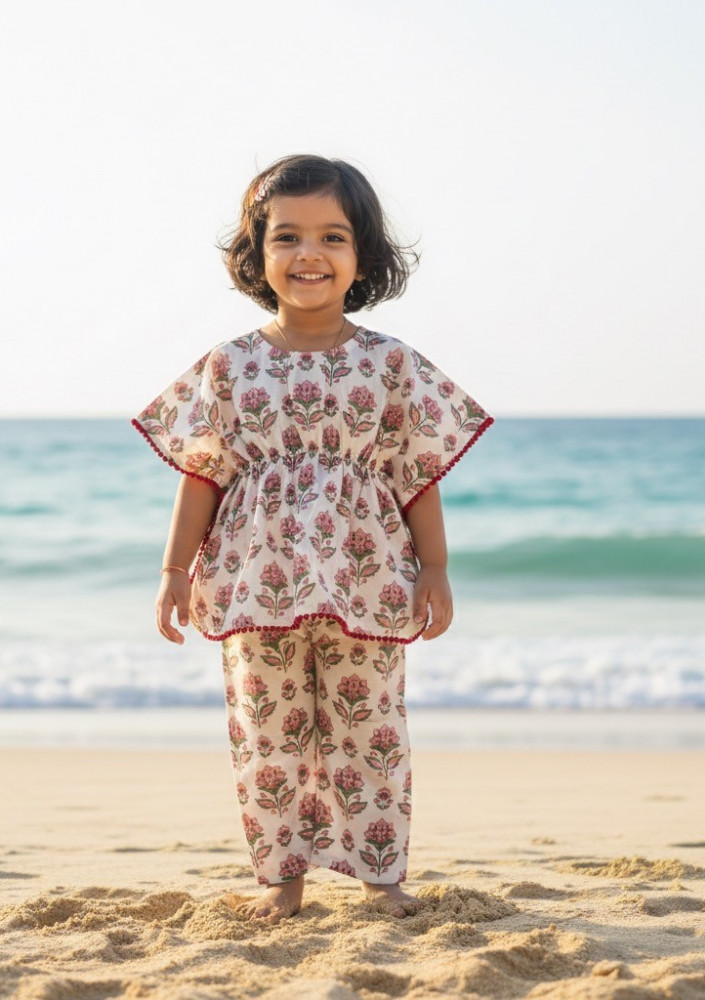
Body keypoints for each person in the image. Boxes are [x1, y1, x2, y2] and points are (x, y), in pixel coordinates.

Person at [131, 154, 493, 922]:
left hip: (365, 577)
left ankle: (380, 874)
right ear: (257, 256)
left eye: (332, 237)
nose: (309, 255)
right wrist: (172, 571)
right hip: (253, 579)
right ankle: (281, 876)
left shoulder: (388, 363)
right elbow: (202, 474)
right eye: (286, 238)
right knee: (268, 730)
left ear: (362, 255)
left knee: (371, 727)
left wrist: (436, 567)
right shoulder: (231, 366)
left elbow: (414, 473)